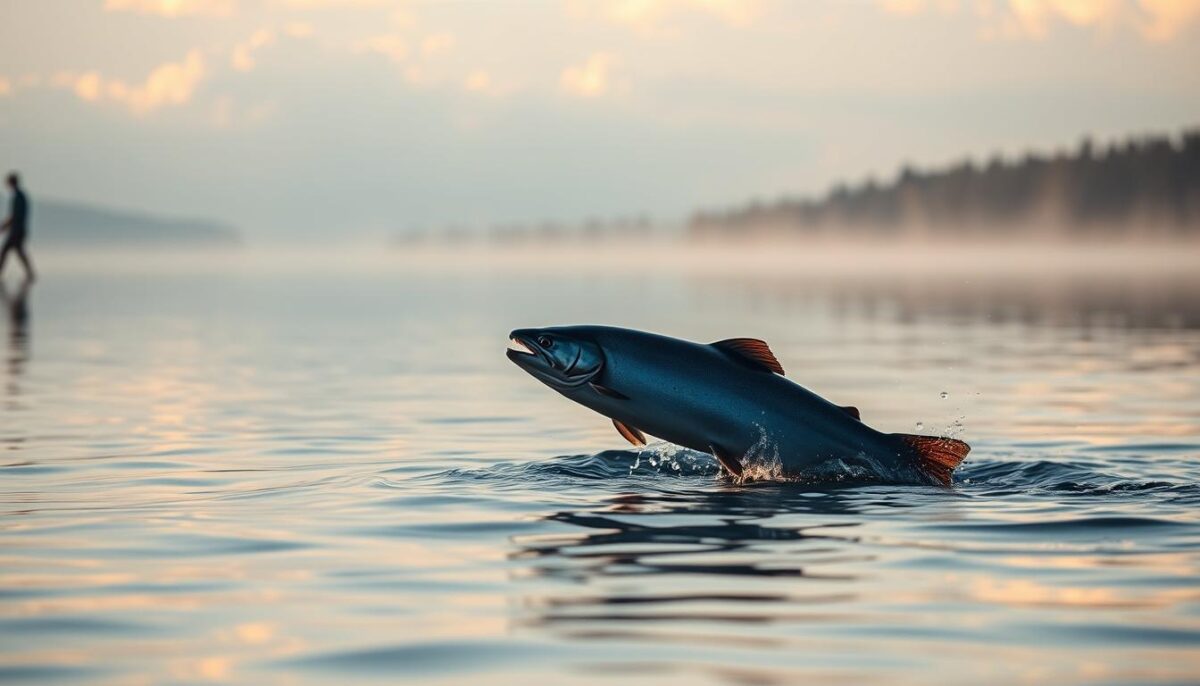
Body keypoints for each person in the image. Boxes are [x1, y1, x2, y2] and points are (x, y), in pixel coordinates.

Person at [1, 172, 36, 281]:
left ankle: (30, 273)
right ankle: (30, 273)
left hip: (17, 230)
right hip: (18, 230)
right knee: (19, 252)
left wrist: (4, 226)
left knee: (6, 250)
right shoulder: (20, 196)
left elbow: (15, 215)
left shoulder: (18, 197)